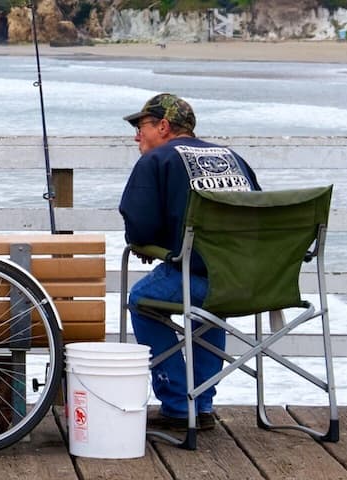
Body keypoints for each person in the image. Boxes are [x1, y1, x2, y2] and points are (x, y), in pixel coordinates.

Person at [117, 93, 262, 431]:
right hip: (254, 282)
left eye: (141, 127)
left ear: (163, 126)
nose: (136, 136)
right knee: (208, 307)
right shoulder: (232, 157)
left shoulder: (157, 161)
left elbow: (139, 226)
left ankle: (180, 403)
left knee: (142, 300)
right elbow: (258, 216)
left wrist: (148, 245)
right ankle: (203, 402)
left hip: (198, 278)